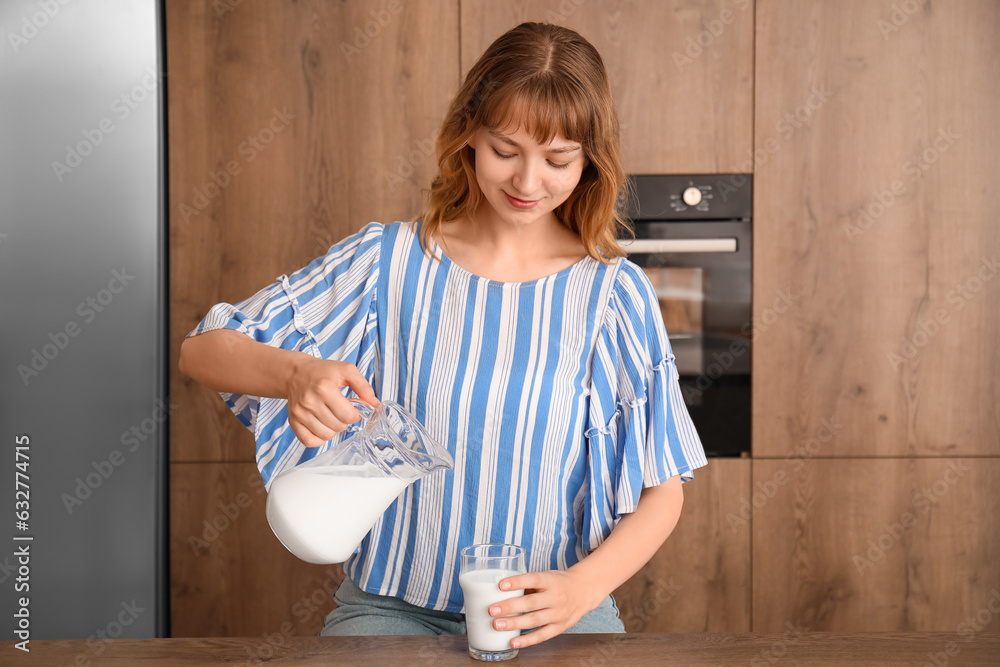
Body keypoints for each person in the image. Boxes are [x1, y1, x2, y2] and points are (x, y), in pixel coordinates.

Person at [179, 22, 707, 649]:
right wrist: (293, 373)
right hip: (391, 609)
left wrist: (584, 589)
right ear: (469, 138)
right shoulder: (387, 262)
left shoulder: (613, 294)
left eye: (558, 159)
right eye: (505, 150)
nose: (527, 182)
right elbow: (202, 350)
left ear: (590, 161)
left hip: (551, 608)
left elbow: (662, 490)